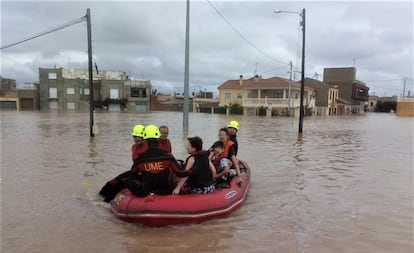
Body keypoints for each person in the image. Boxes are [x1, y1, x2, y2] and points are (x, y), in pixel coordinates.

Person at [124, 124, 186, 197]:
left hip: (146, 191)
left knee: (126, 180)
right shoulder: (168, 156)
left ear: (144, 138)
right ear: (158, 137)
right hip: (165, 190)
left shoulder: (139, 158)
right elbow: (181, 173)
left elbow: (133, 174)